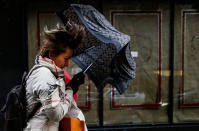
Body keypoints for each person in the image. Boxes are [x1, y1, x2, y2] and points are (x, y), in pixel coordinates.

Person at [24, 22, 87, 131]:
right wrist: (70, 90)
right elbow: (56, 114)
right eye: (65, 59)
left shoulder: (50, 74)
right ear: (52, 54)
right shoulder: (44, 75)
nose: (67, 64)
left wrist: (70, 87)